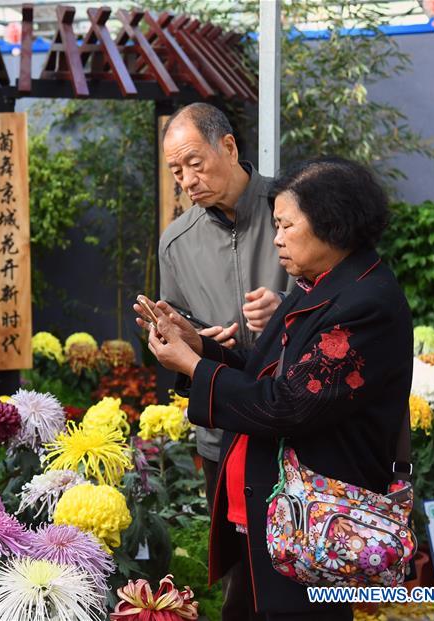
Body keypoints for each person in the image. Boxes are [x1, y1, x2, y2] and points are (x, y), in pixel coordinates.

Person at [137, 157, 414, 620]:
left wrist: (192, 365)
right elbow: (266, 372)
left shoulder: (368, 304)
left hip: (317, 521)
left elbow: (287, 404)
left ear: (333, 226)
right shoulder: (318, 286)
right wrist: (199, 348)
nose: (278, 238)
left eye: (286, 225)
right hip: (272, 508)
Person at [159, 102, 291, 510]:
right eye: (177, 172)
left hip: (298, 421)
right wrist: (188, 342)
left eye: (195, 163)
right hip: (223, 431)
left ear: (229, 147)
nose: (188, 181)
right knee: (235, 569)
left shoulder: (292, 210)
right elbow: (175, 328)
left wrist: (284, 309)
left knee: (304, 559)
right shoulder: (176, 241)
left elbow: (341, 300)